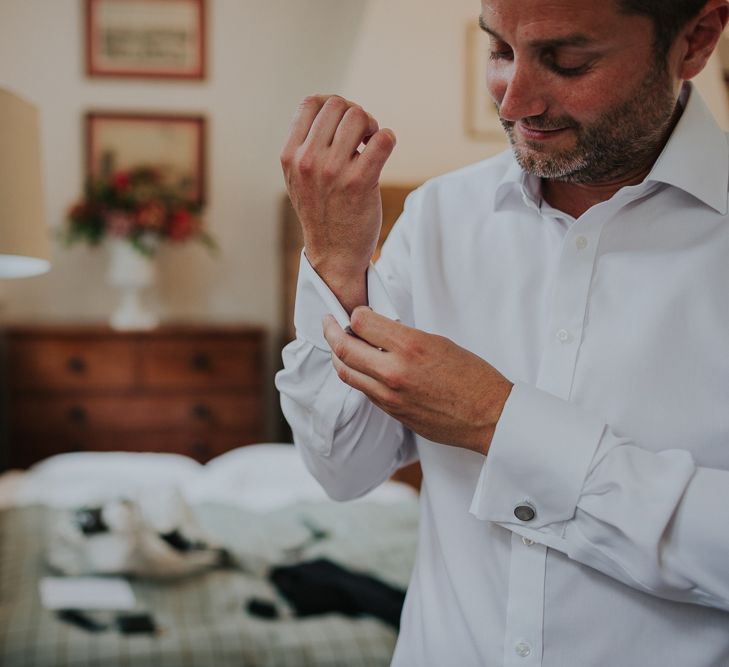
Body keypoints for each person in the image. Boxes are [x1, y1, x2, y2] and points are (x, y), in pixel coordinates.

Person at [276, 0, 729, 664]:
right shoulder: (439, 214)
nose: (513, 101)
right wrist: (336, 262)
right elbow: (343, 466)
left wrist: (497, 420)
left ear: (694, 40)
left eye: (565, 60)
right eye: (497, 51)